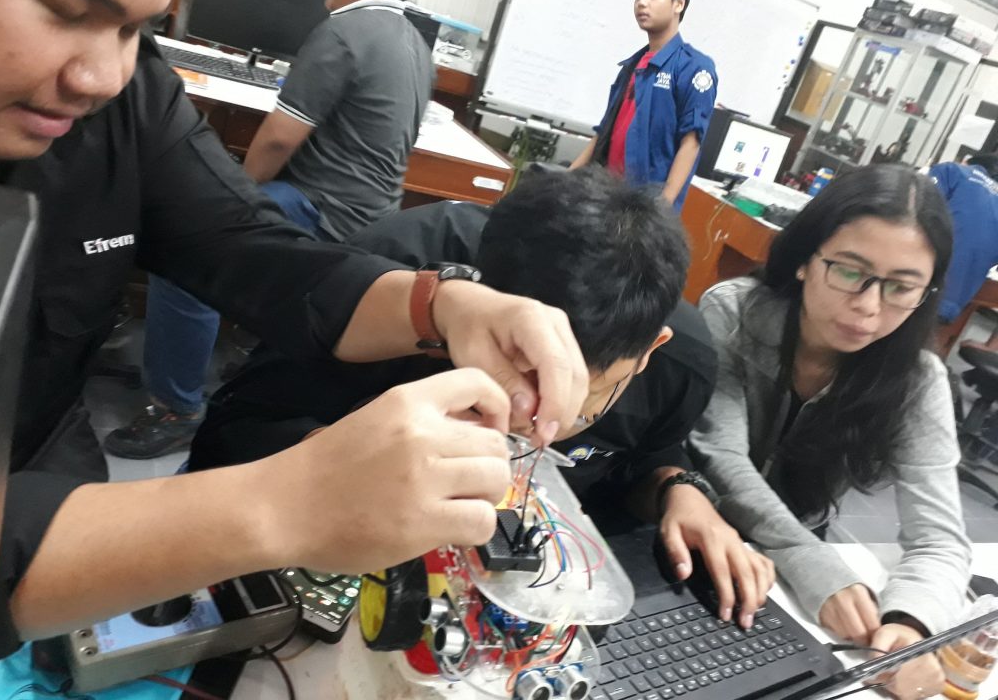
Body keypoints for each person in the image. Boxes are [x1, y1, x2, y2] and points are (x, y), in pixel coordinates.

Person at [0, 0, 589, 664]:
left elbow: (250, 247)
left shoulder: (126, 98)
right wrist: (281, 503)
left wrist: (445, 305)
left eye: (135, 27)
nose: (103, 75)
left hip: (50, 464)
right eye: (67, 12)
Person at [189, 167, 776, 626]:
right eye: (516, 383)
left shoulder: (682, 363)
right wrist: (338, 458)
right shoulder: (395, 272)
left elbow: (646, 454)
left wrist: (679, 489)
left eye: (577, 404)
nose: (530, 425)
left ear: (650, 351)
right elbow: (230, 429)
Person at [105, 0, 435, 459]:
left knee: (189, 245)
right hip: (374, 218)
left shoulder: (345, 30)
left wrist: (227, 205)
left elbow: (280, 138)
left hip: (323, 208)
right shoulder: (415, 44)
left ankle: (178, 407)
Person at [687, 164, 972, 700]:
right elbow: (719, 456)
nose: (868, 306)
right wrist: (816, 566)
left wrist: (909, 625)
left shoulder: (916, 379)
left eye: (901, 287)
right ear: (805, 259)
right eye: (848, 271)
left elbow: (940, 539)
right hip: (695, 528)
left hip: (790, 579)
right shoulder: (734, 312)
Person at [570, 0, 717, 211]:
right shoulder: (631, 66)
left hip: (644, 208)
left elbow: (691, 143)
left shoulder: (694, 68)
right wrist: (566, 180)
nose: (642, 3)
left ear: (679, 4)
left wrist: (661, 208)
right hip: (604, 197)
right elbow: (604, 133)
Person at [929, 154, 998, 324]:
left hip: (915, 286)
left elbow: (918, 210)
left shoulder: (953, 171)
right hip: (950, 305)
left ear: (968, 163)